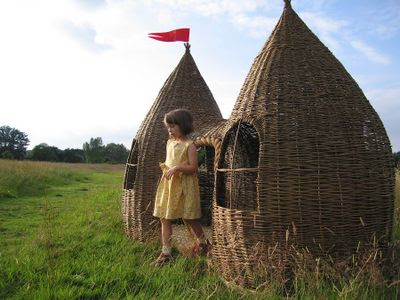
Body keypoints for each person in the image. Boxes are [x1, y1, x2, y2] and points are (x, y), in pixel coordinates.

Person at [152, 108, 211, 266]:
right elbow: (169, 161)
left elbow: (193, 168)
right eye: (168, 126)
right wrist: (168, 169)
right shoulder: (169, 143)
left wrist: (177, 168)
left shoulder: (190, 146)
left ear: (183, 125)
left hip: (185, 185)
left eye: (172, 126)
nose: (169, 129)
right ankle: (166, 253)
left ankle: (203, 243)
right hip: (170, 185)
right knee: (165, 218)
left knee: (189, 217)